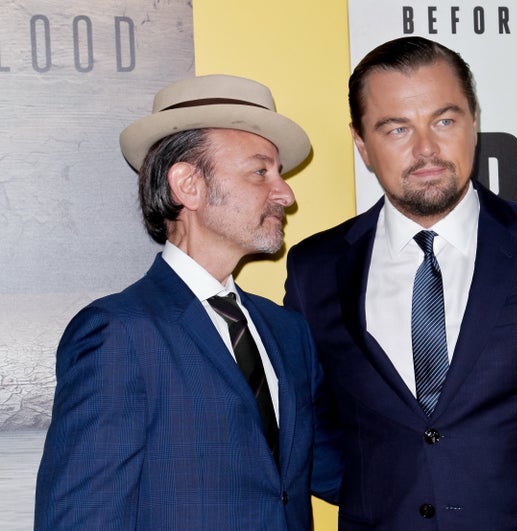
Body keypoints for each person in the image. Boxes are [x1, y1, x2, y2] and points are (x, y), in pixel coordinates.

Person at [284, 37, 517, 530]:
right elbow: (307, 421)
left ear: (474, 121)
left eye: (444, 120)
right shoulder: (316, 267)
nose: (426, 149)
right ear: (361, 144)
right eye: (396, 129)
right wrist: (381, 487)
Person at [35, 74, 342, 530]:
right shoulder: (119, 333)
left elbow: (339, 473)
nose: (286, 194)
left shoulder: (288, 332)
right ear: (188, 185)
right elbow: (80, 519)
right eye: (261, 171)